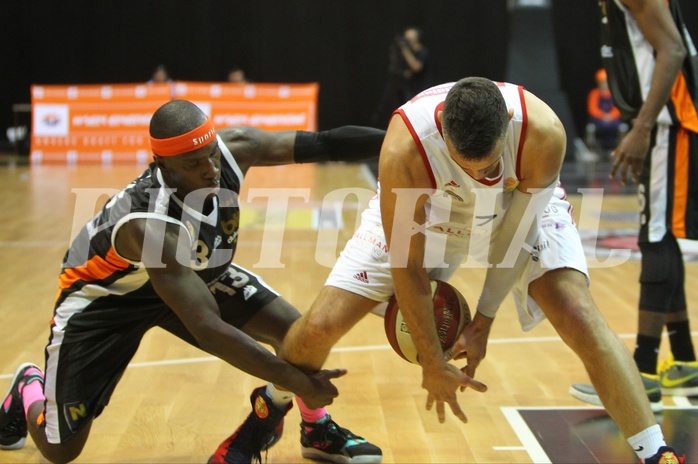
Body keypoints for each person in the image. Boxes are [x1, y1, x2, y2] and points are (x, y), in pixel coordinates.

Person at [218, 77, 685, 463]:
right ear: (442, 127)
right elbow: (410, 270)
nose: (482, 176)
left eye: (489, 166)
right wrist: (433, 361)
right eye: (471, 167)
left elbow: (514, 238)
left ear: (507, 123)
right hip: (433, 210)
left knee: (577, 312)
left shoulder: (543, 132)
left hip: (514, 207)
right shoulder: (404, 150)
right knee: (317, 328)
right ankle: (274, 413)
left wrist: (483, 319)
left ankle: (656, 454)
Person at [0, 99, 386, 464]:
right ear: (164, 166)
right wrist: (294, 380)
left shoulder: (235, 147)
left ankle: (316, 429)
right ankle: (27, 385)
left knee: (297, 334)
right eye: (193, 164)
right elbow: (207, 328)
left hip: (190, 271)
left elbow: (325, 143)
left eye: (211, 155)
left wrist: (406, 142)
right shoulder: (148, 222)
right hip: (105, 300)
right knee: (60, 449)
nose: (210, 170)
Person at [570, 0, 698, 417]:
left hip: (669, 124)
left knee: (655, 236)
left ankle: (642, 373)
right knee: (660, 233)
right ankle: (684, 359)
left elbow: (673, 49)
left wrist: (642, 127)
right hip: (662, 121)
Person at [371, 27, 434, 128]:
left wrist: (405, 50)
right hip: (409, 91)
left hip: (421, 92)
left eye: (410, 36)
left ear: (416, 37)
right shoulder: (407, 54)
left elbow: (416, 67)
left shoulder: (422, 52)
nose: (407, 38)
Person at [585, 68, 627, 152]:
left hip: (613, 121)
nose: (604, 84)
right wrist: (603, 116)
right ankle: (591, 150)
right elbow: (592, 109)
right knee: (590, 128)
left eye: (605, 81)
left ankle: (621, 150)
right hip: (599, 121)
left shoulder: (614, 94)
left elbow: (618, 108)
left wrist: (610, 116)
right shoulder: (594, 93)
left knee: (623, 127)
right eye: (602, 82)